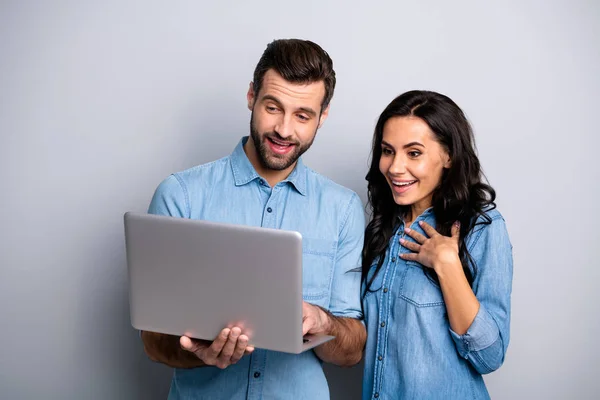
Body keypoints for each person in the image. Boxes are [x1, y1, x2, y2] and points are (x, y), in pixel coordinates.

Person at [140, 38, 367, 400]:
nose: (284, 129)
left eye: (303, 115)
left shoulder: (343, 210)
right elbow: (153, 342)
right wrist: (198, 352)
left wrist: (324, 322)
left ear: (323, 117)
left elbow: (352, 349)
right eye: (273, 107)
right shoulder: (180, 195)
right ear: (251, 96)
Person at [361, 90, 513, 399]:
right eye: (388, 151)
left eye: (413, 153)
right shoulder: (383, 227)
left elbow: (490, 356)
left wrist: (448, 266)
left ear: (449, 156)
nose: (394, 167)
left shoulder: (482, 229)